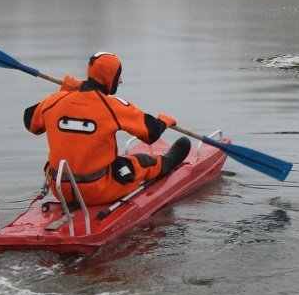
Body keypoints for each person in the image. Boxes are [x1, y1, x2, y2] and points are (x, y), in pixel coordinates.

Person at [23, 51, 191, 206]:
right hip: (97, 190)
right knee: (141, 163)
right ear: (110, 78)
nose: (121, 81)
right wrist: (163, 121)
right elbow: (151, 133)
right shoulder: (112, 106)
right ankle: (168, 162)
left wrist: (64, 92)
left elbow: (30, 123)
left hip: (60, 189)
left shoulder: (55, 100)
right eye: (118, 76)